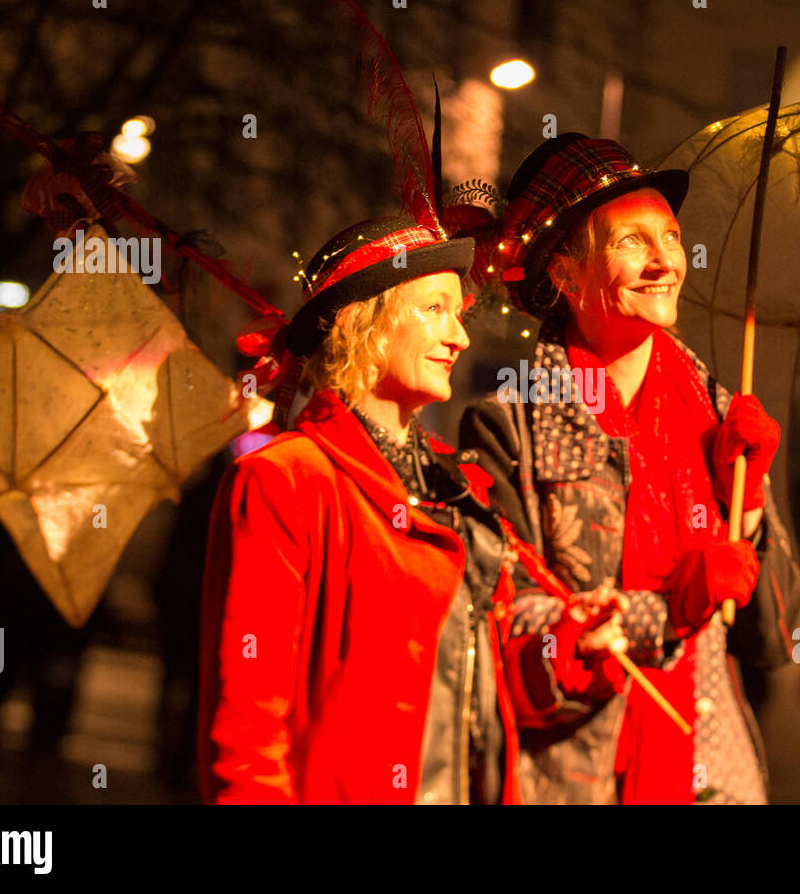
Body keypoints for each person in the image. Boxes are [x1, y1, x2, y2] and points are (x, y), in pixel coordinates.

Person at [198, 216, 626, 804]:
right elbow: (246, 722)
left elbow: (481, 684)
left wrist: (571, 649)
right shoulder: (286, 479)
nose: (460, 337)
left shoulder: (458, 490)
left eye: (460, 314)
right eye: (434, 309)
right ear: (360, 322)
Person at [460, 134, 800, 804]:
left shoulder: (715, 409)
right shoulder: (510, 425)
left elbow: (778, 632)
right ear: (564, 274)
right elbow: (508, 650)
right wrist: (668, 611)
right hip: (580, 783)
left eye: (673, 238)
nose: (665, 263)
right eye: (632, 241)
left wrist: (746, 508)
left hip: (715, 779)